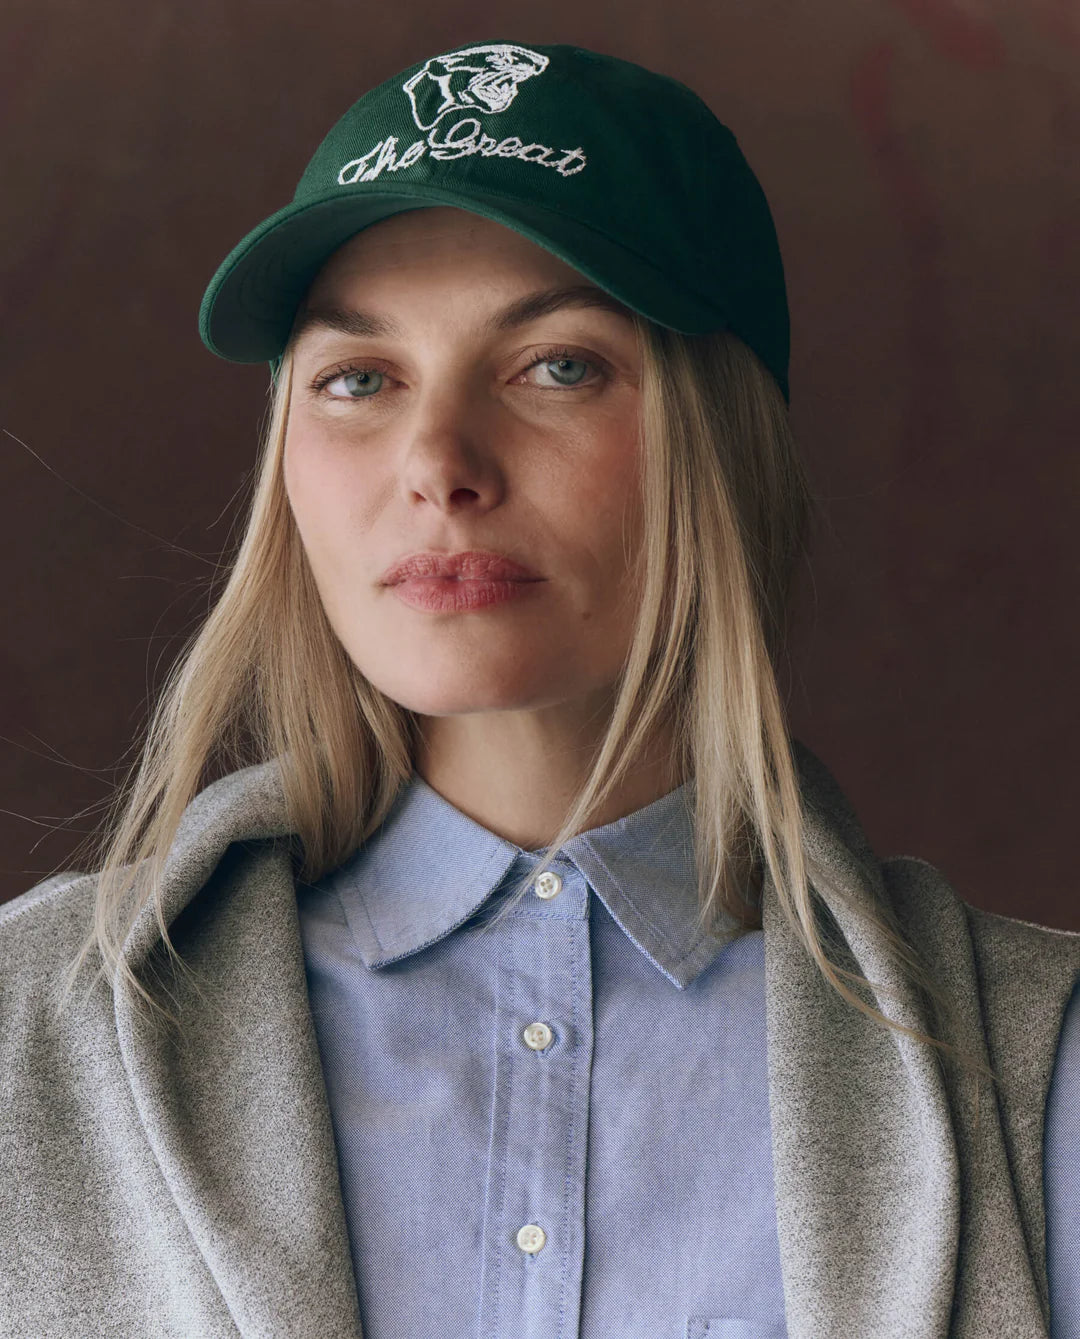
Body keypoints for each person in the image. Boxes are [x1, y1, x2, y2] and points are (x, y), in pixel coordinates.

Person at [1, 38, 1077, 1339]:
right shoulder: (29, 1029)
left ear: (720, 435)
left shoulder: (1037, 1069)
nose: (439, 463)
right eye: (358, 379)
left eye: (556, 365)